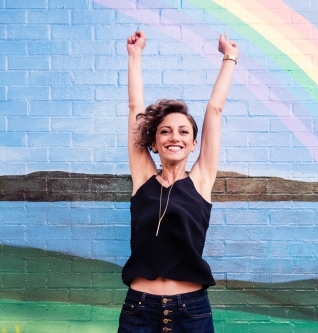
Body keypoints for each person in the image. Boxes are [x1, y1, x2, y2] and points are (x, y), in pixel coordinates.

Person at [118, 30, 239, 333]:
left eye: (184, 131)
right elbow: (136, 108)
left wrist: (230, 57)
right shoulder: (143, 178)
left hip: (191, 313)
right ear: (154, 144)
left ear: (194, 143)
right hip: (139, 310)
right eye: (165, 131)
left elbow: (215, 109)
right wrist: (134, 55)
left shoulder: (201, 180)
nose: (175, 136)